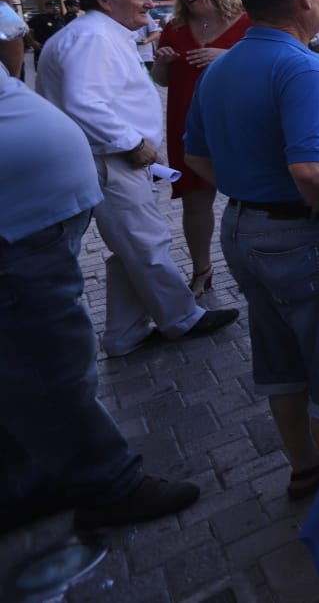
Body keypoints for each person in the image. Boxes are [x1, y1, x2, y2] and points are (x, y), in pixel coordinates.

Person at [185, 0, 319, 501]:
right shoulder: (300, 68)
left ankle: (305, 470)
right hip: (309, 237)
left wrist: (253, 186)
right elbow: (313, 170)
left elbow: (196, 158)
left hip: (247, 232)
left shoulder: (220, 67)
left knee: (281, 361)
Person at [0, 71, 202, 532]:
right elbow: (81, 95)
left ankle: (28, 480)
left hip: (30, 223)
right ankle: (108, 484)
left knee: (24, 363)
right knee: (49, 364)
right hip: (16, 232)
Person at [37, 0, 236, 356]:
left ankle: (124, 332)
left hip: (107, 156)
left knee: (130, 247)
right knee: (147, 243)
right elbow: (84, 101)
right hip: (111, 158)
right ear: (105, 1)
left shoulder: (98, 34)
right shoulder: (93, 37)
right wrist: (131, 142)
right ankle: (183, 318)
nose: (150, 2)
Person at [151, 0, 251, 294]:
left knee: (250, 196)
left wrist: (225, 55)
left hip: (235, 120)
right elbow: (162, 81)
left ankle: (255, 265)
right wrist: (163, 64)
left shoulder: (247, 23)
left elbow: (261, 62)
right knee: (194, 200)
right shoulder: (174, 28)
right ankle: (201, 270)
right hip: (186, 121)